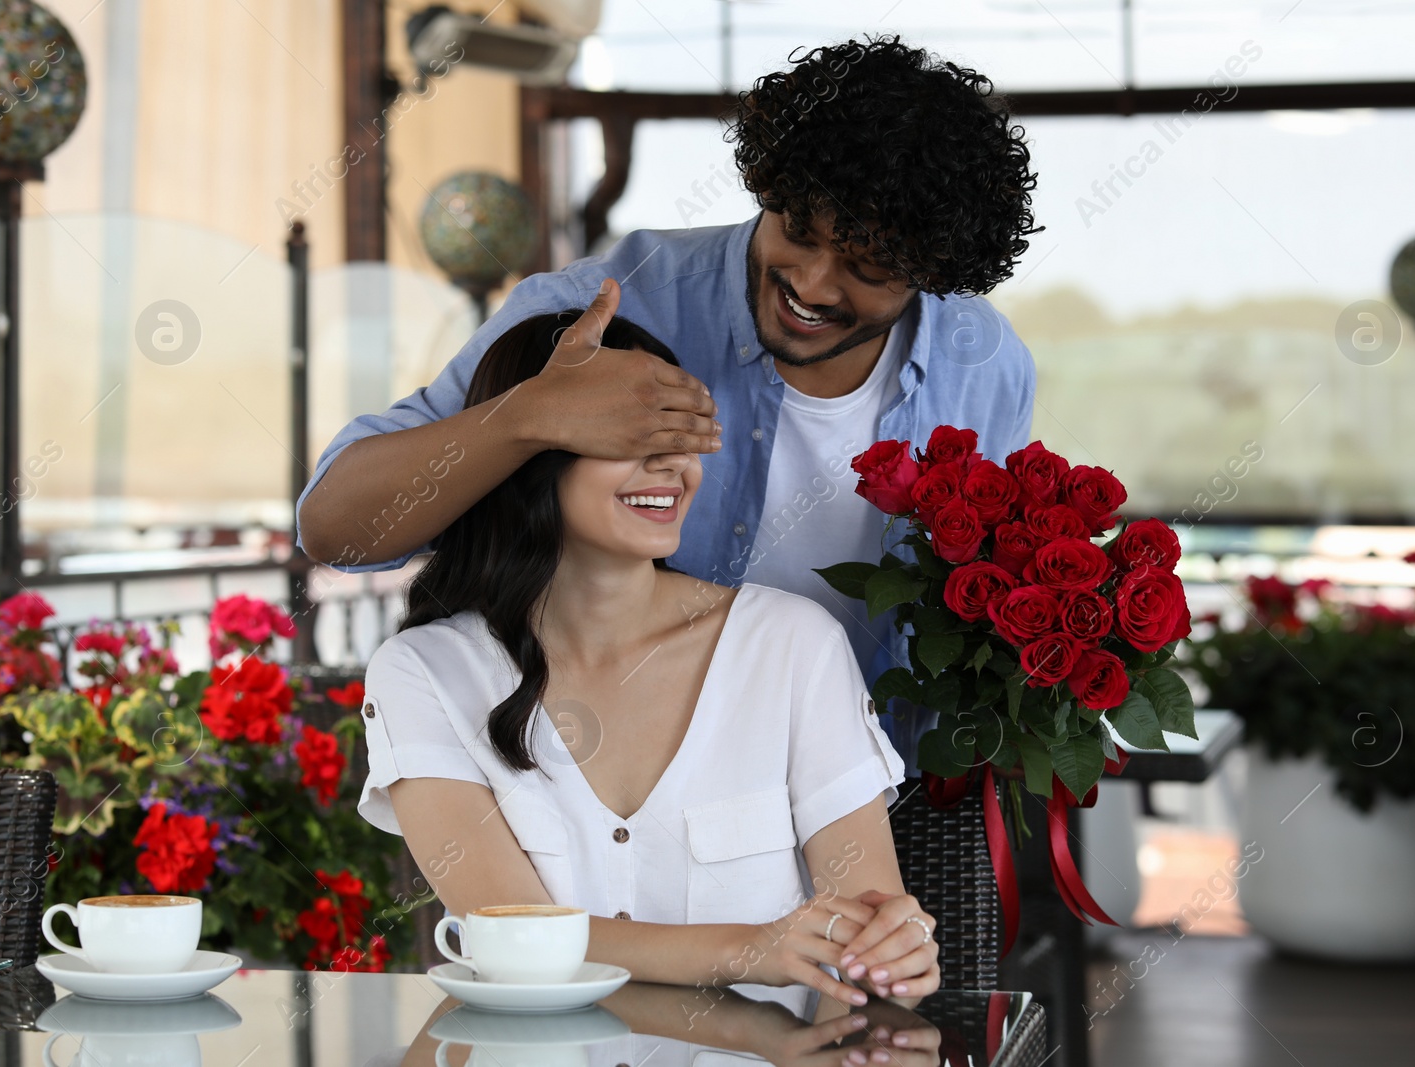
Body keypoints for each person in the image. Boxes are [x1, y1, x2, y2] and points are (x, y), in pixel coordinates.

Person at [297, 35, 1041, 769]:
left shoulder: (982, 367)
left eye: (868, 266)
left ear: (935, 270)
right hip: (622, 796)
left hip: (888, 799)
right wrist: (527, 415)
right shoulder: (602, 307)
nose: (812, 284)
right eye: (798, 230)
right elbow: (334, 526)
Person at [358, 311, 942, 1009]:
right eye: (637, 435)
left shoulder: (793, 644)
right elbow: (505, 935)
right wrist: (750, 949)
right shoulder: (423, 672)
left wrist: (891, 948)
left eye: (682, 438)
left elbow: (867, 928)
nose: (673, 466)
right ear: (528, 449)